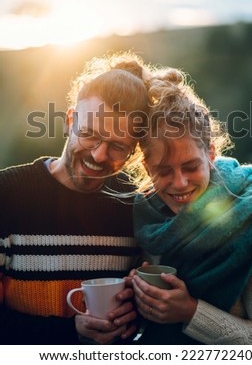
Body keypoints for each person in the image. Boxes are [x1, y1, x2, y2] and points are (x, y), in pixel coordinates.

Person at [131, 67, 252, 345]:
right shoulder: (146, 222)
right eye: (163, 171)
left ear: (210, 154)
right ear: (147, 169)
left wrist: (190, 312)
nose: (180, 183)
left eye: (190, 166)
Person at [0, 51, 152, 345]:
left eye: (117, 146)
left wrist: (138, 312)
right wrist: (69, 334)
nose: (99, 154)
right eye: (89, 134)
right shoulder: (7, 193)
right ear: (70, 120)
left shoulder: (134, 205)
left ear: (133, 150)